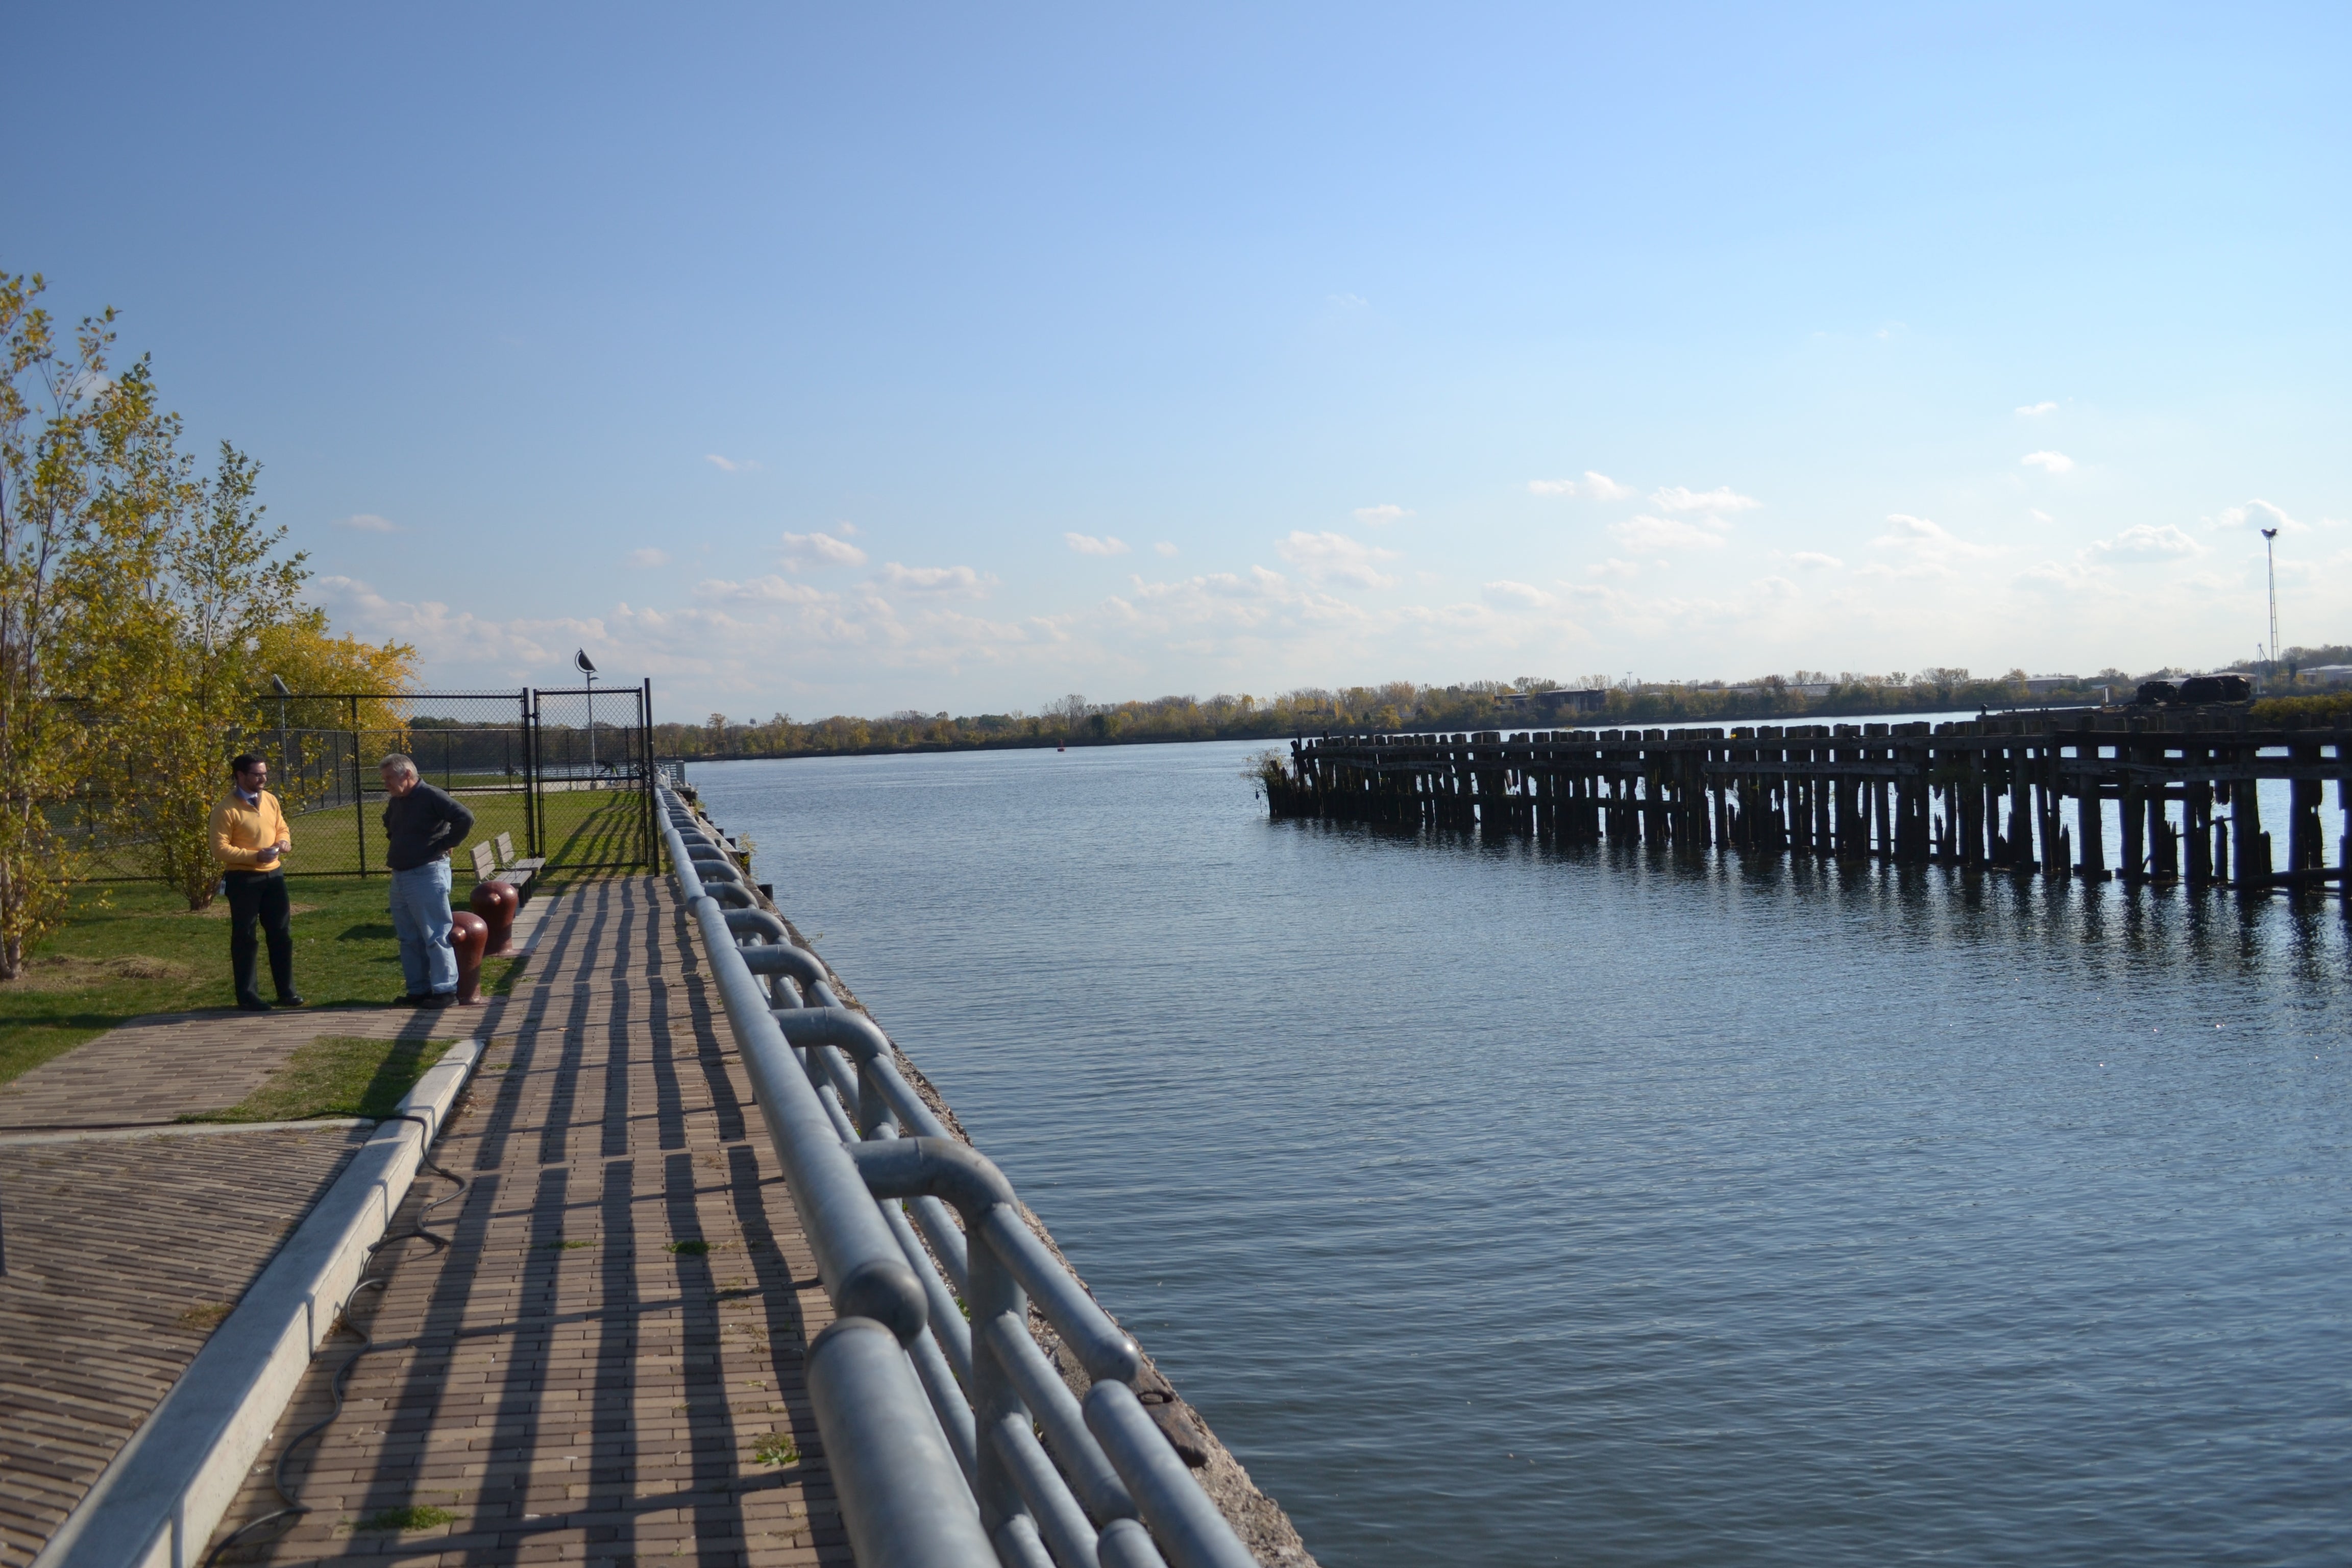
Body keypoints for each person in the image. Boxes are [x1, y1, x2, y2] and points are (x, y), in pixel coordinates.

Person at [380, 753, 476, 1007]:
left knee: (435, 933)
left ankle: (445, 991)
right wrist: (401, 841)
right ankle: (418, 991)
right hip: (401, 875)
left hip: (427, 873)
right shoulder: (398, 800)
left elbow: (464, 817)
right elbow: (388, 822)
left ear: (407, 775)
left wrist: (444, 844)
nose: (386, 784)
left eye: (390, 778)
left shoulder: (431, 795)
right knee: (408, 937)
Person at [210, 753, 301, 1012]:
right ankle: (248, 995)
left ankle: (287, 992)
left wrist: (284, 842)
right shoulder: (226, 809)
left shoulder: (271, 800)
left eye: (264, 773)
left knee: (281, 934)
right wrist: (254, 856)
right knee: (246, 937)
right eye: (257, 774)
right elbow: (219, 849)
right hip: (243, 880)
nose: (262, 778)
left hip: (274, 876)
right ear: (240, 776)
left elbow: (281, 827)